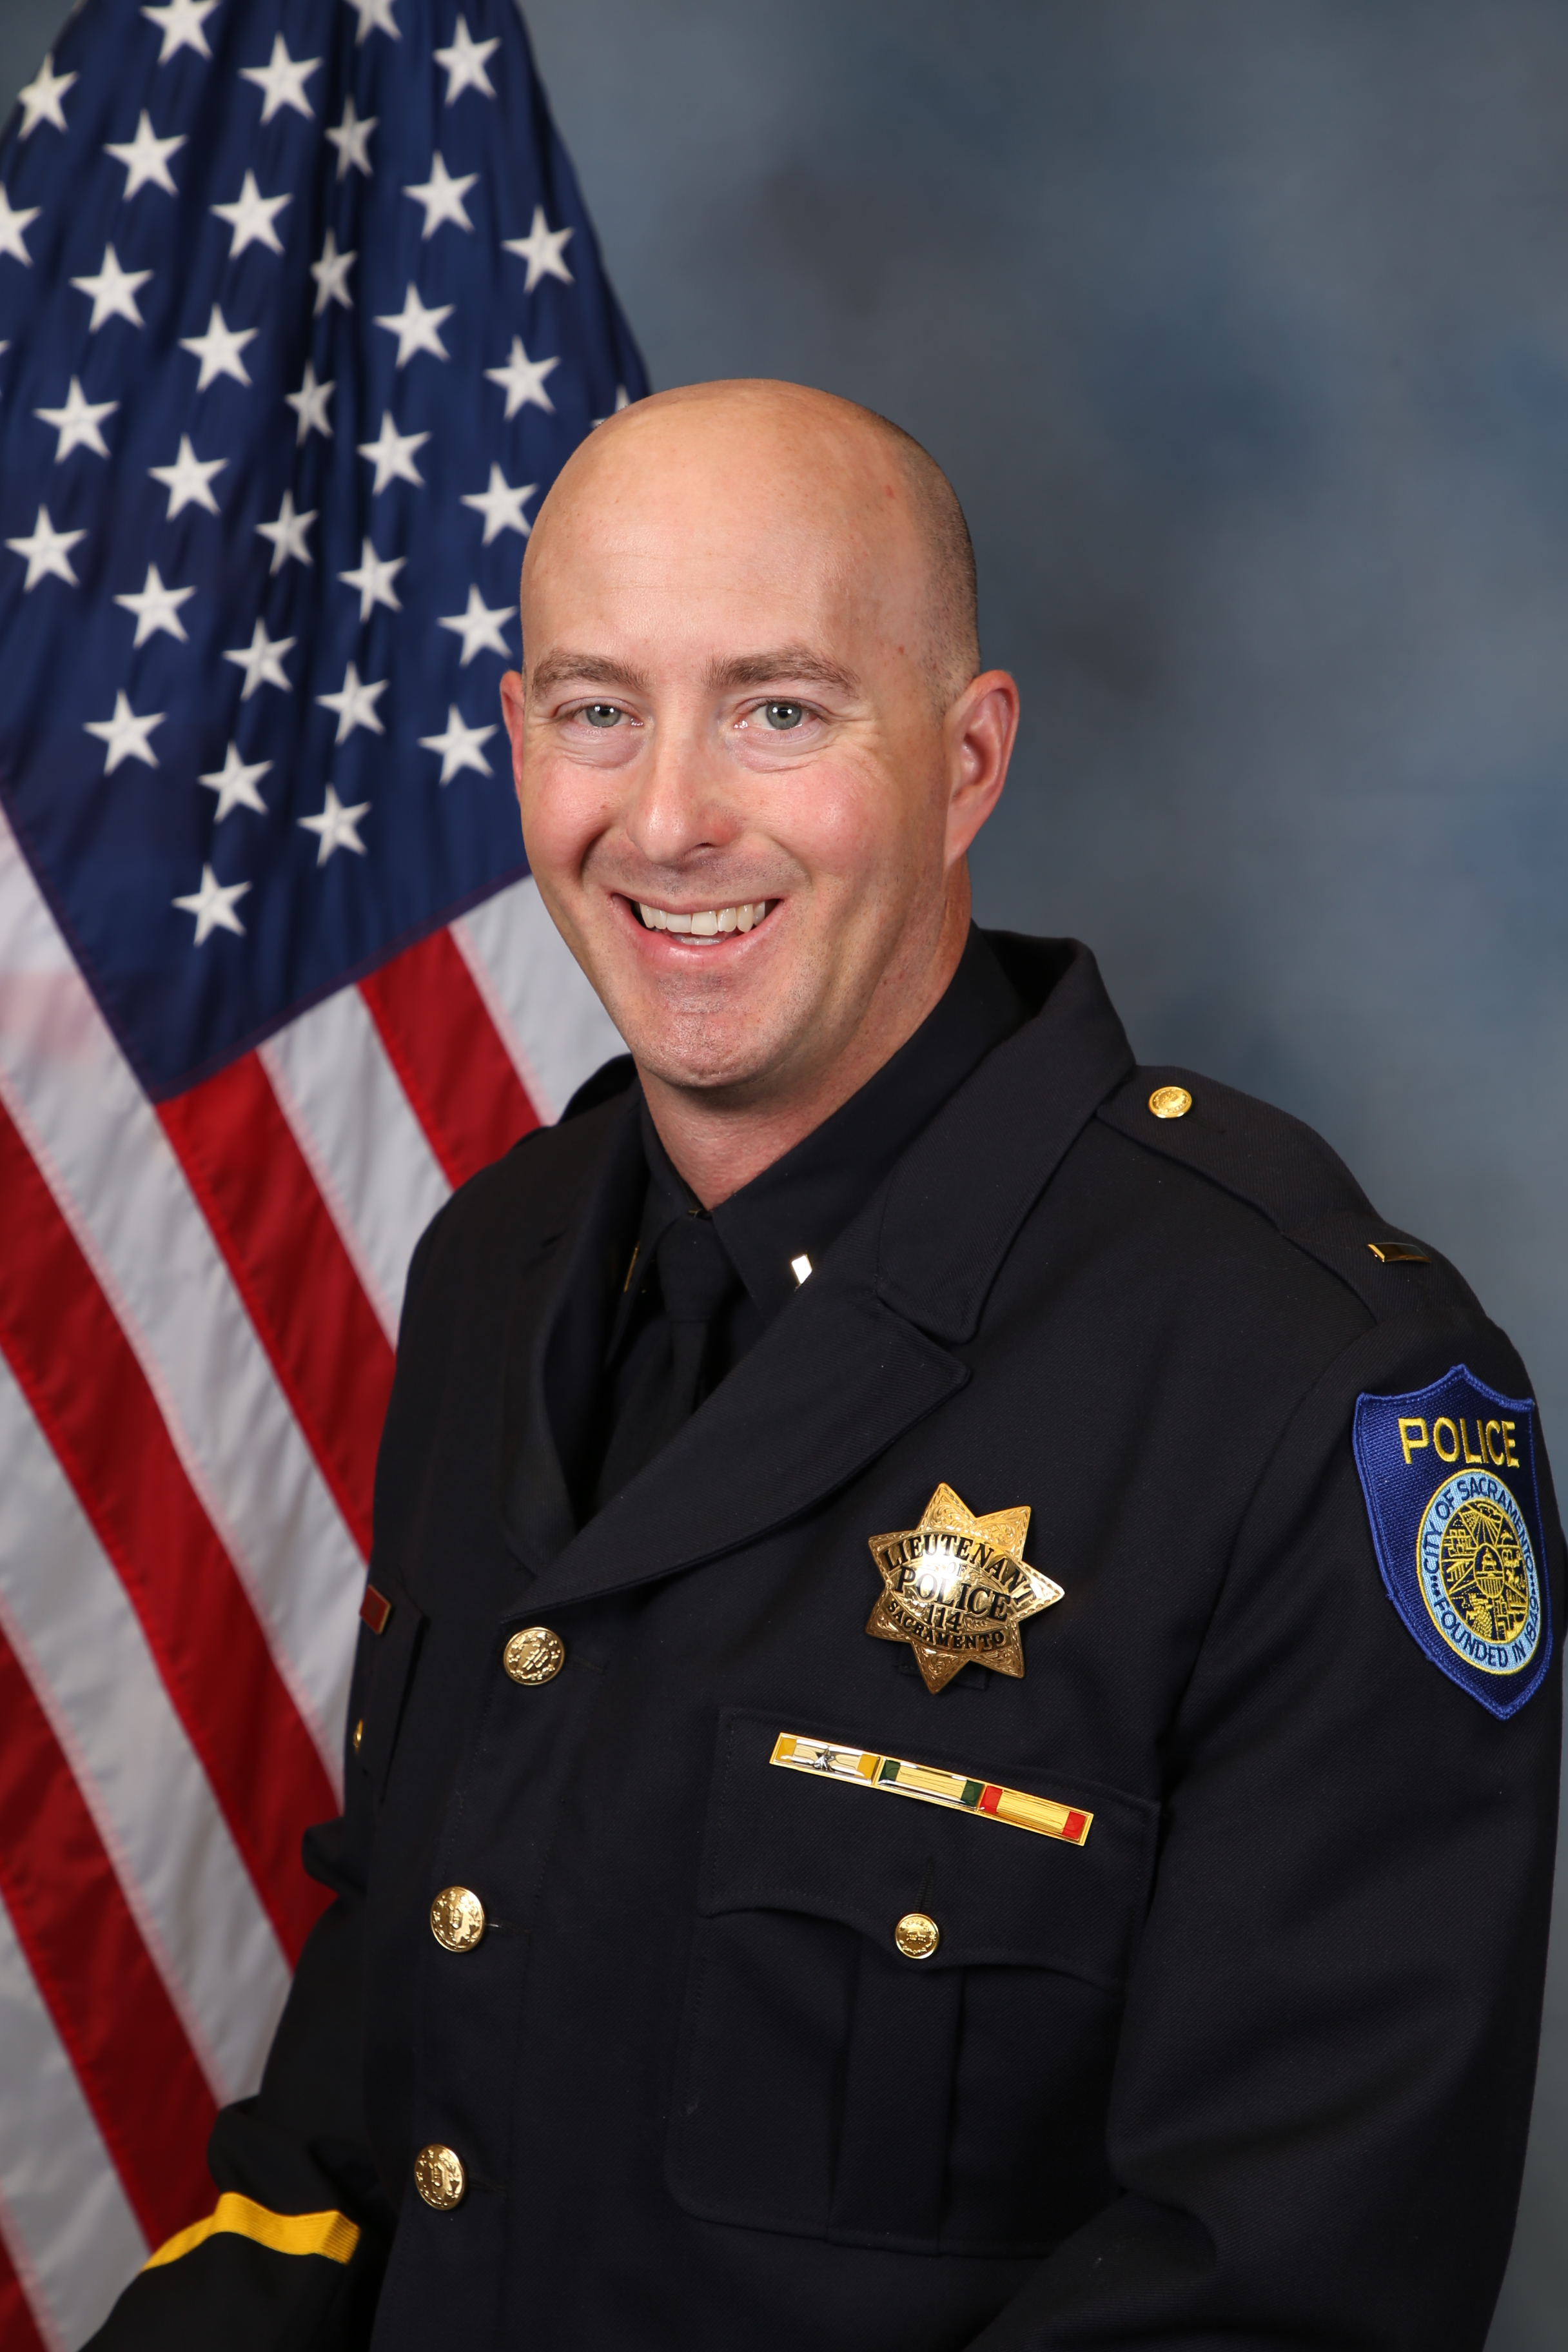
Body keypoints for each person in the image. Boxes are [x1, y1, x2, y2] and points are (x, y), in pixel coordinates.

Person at [92, 380, 1561, 2351]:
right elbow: (383, 2100)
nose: (672, 816)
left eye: (779, 710)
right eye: (599, 709)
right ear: (520, 742)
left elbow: (1280, 2294)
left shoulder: (1315, 1397)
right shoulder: (498, 1267)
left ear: (968, 763)